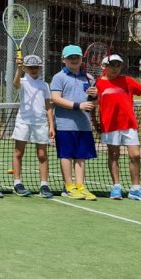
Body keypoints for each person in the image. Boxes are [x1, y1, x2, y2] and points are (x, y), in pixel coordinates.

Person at [96, 54, 141, 201]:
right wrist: (95, 122)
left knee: (135, 155)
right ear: (104, 67)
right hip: (109, 125)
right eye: (112, 65)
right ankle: (116, 187)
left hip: (129, 124)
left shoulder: (127, 81)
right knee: (113, 155)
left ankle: (135, 189)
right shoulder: (97, 84)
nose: (115, 68)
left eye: (118, 65)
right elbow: (91, 104)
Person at [49, 44, 98, 201]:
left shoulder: (89, 78)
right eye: (70, 57)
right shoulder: (58, 77)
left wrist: (95, 97)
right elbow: (55, 99)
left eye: (76, 57)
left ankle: (80, 186)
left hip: (84, 125)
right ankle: (68, 187)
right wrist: (79, 106)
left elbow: (94, 103)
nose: (74, 60)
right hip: (64, 124)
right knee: (66, 155)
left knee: (80, 156)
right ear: (64, 60)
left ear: (81, 58)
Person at [11, 54, 55, 198]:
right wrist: (18, 69)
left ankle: (44, 185)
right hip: (23, 121)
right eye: (30, 67)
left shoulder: (44, 85)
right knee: (18, 152)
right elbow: (15, 84)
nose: (34, 69)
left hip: (40, 122)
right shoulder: (22, 81)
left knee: (42, 155)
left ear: (40, 68)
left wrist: (51, 125)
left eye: (36, 67)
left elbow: (48, 107)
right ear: (25, 68)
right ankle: (17, 183)